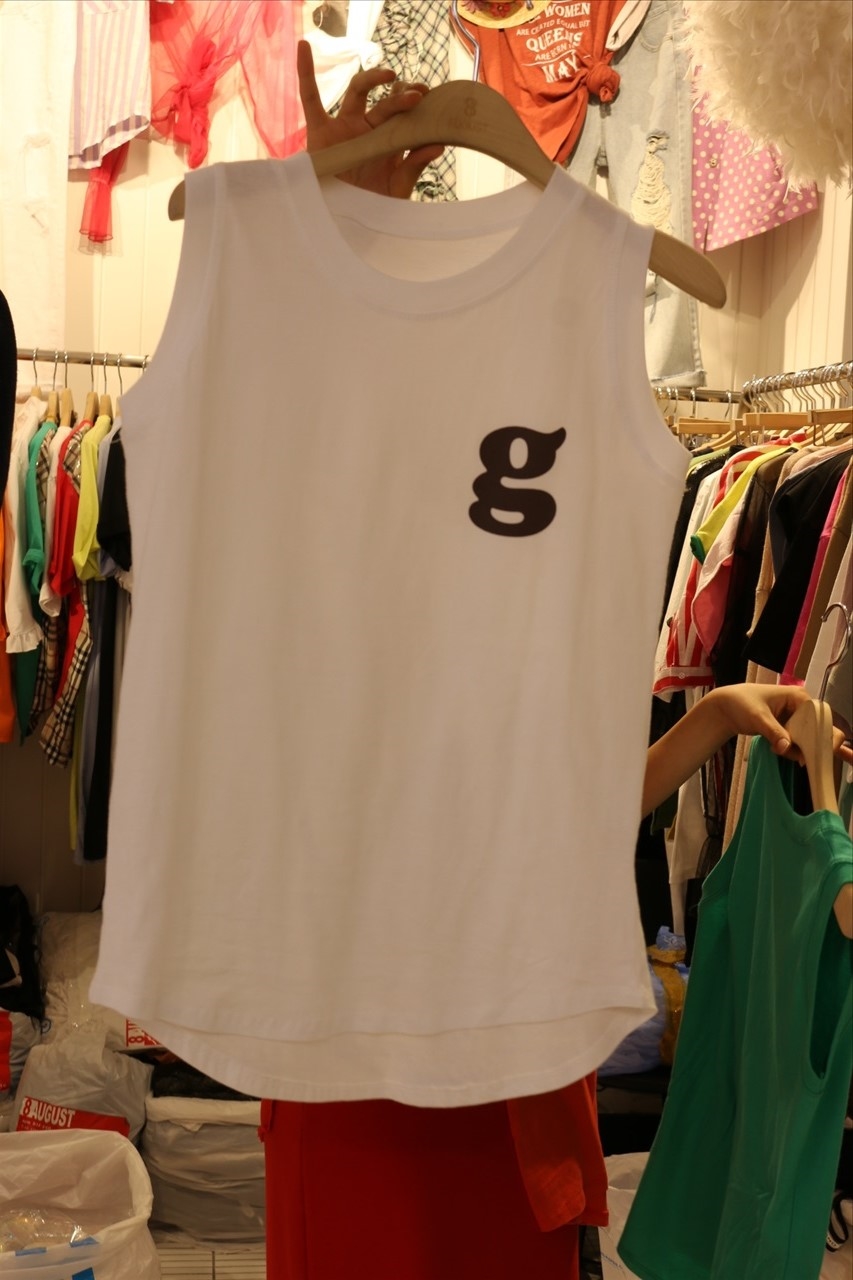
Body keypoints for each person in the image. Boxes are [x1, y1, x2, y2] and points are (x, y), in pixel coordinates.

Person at [258, 43, 853, 1280]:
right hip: (365, 1073)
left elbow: (541, 819)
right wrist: (325, 238)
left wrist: (709, 720)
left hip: (513, 1078)